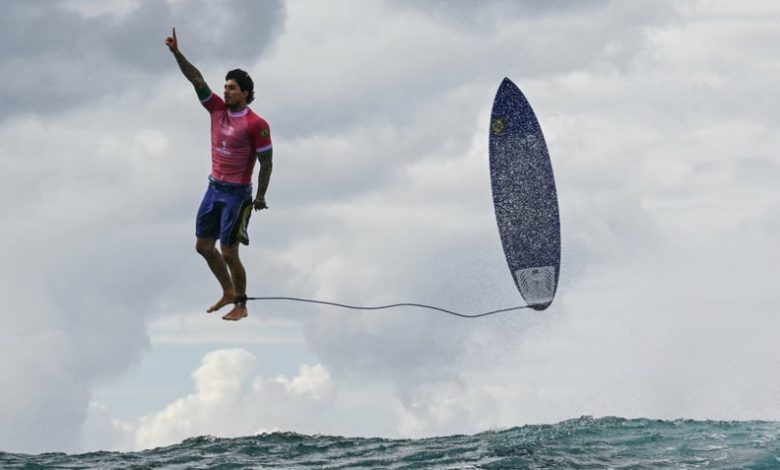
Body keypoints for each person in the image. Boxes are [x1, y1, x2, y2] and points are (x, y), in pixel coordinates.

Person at [164, 27, 273, 321]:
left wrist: (260, 196)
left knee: (229, 252)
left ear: (246, 94)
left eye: (232, 88)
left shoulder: (256, 123)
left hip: (237, 194)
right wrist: (177, 54)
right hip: (214, 188)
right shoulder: (215, 109)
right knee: (203, 246)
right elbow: (196, 79)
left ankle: (241, 303)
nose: (225, 91)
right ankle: (227, 291)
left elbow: (267, 162)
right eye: (225, 87)